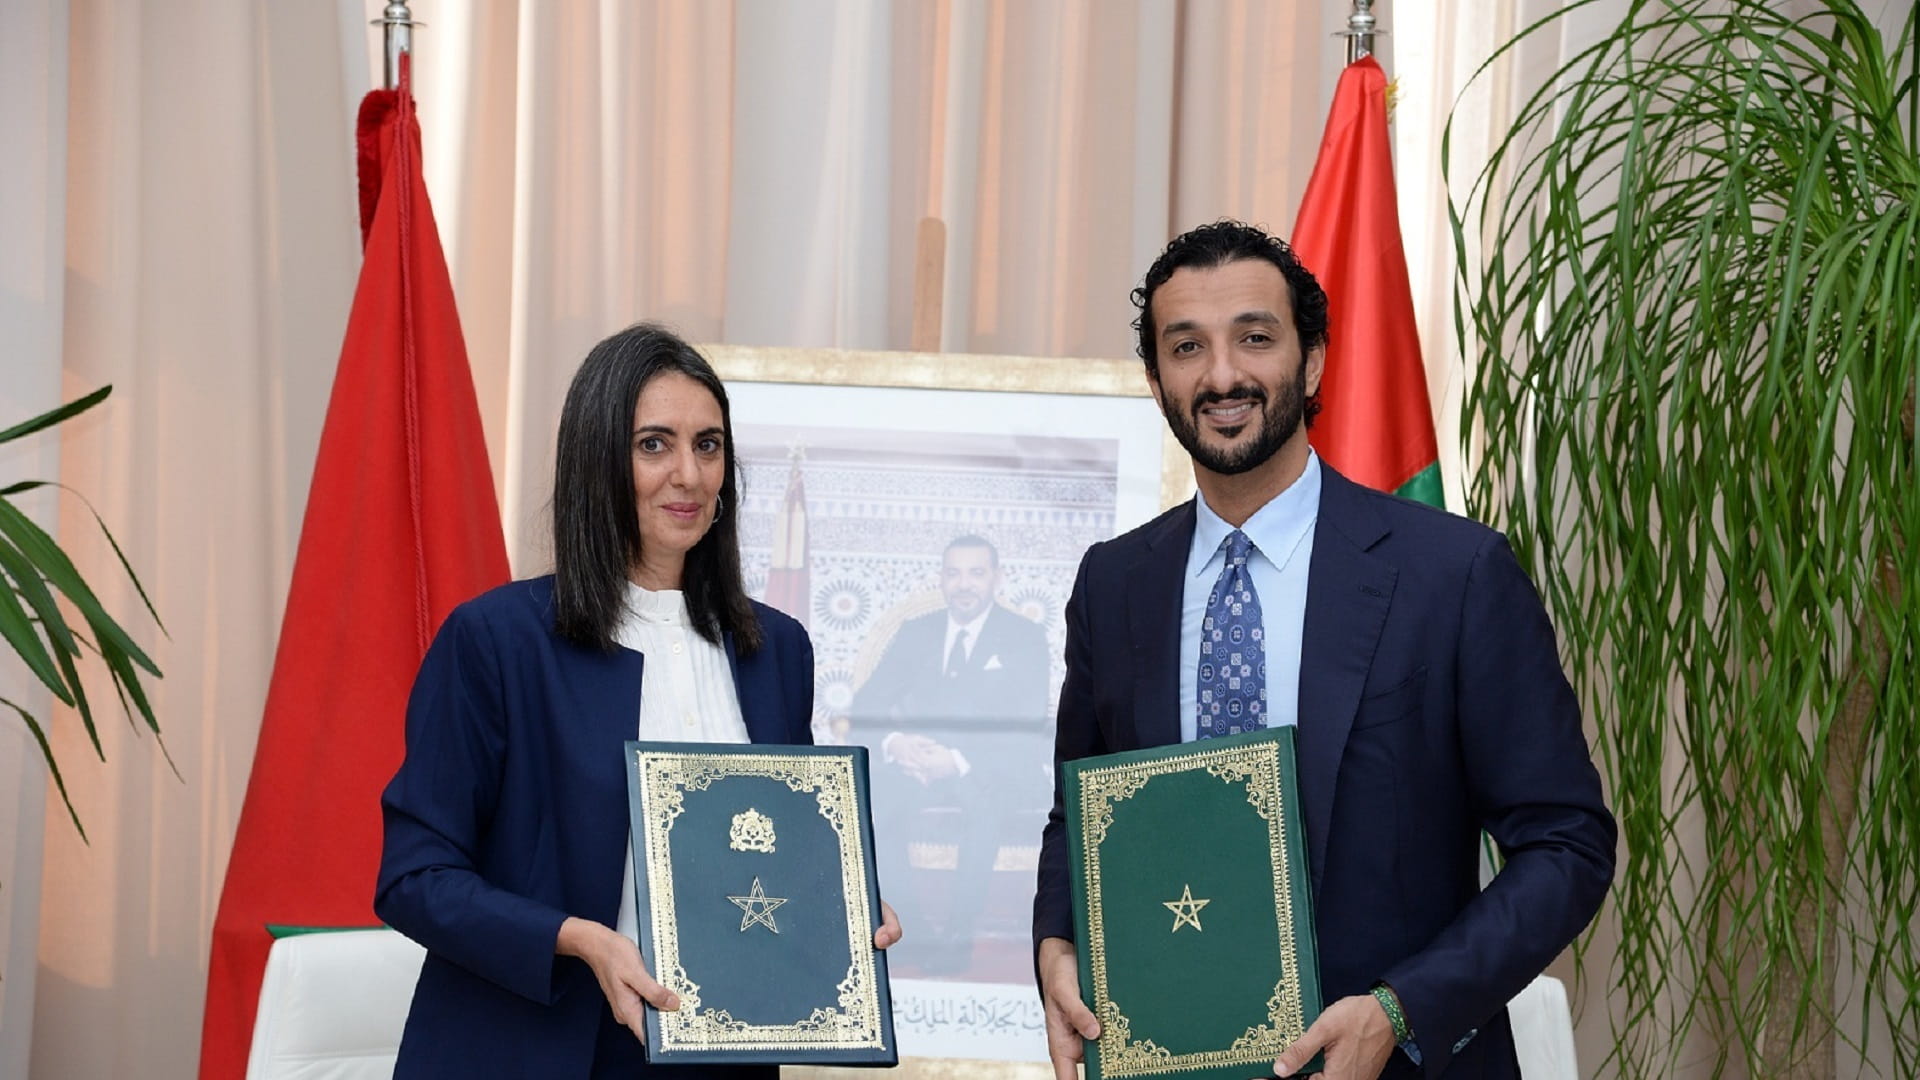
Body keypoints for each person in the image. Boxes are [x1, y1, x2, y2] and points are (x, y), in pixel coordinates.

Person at [1030, 221, 1615, 1080]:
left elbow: (1567, 845)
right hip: (1169, 1059)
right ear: (1156, 382)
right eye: (1187, 347)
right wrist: (1056, 944)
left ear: (1311, 363)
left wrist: (1400, 1011)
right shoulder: (1114, 583)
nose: (1221, 376)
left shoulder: (1453, 574)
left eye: (1254, 338)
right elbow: (1077, 814)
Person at [376, 323, 901, 1080]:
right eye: (654, 444)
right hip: (529, 1050)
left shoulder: (776, 651)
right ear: (596, 460)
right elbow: (414, 879)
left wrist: (841, 903)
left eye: (708, 445)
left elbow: (780, 844)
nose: (688, 474)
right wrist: (578, 937)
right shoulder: (495, 640)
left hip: (718, 1054)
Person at [851, 534, 1051, 973]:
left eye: (976, 573)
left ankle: (958, 939)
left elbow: (1026, 721)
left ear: (996, 578)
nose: (964, 584)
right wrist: (897, 743)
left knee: (985, 800)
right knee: (878, 801)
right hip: (919, 766)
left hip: (994, 766)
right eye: (954, 573)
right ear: (941, 579)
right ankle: (915, 932)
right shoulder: (916, 633)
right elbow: (866, 705)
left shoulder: (1024, 637)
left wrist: (956, 760)